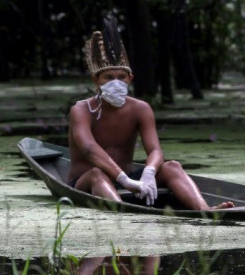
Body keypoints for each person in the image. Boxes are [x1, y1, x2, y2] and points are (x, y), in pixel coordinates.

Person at [68, 15, 233, 210]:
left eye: (121, 77)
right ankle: (125, 214)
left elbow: (155, 150)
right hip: (87, 181)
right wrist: (125, 180)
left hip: (127, 179)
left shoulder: (140, 108)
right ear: (96, 80)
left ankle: (205, 210)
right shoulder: (81, 109)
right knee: (97, 173)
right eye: (108, 77)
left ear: (130, 78)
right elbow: (89, 148)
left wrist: (149, 171)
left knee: (172, 166)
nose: (116, 82)